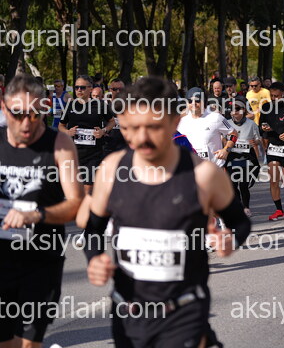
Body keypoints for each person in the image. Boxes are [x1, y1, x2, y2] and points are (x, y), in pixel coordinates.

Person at [83, 76, 251, 348]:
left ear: (174, 123)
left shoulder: (203, 174)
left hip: (183, 312)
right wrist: (94, 259)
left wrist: (230, 239)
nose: (142, 138)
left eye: (154, 127)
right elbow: (93, 228)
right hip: (128, 312)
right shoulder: (112, 169)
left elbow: (240, 223)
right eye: (134, 128)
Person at [0, 74, 83, 348]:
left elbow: (76, 202)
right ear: (4, 108)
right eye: (18, 113)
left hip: (41, 259)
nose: (26, 123)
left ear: (45, 108)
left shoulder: (59, 144)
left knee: (27, 344)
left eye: (35, 114)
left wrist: (37, 215)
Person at [59, 75, 116, 195]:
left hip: (93, 153)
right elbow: (61, 126)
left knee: (88, 189)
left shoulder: (100, 105)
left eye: (82, 87)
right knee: (73, 191)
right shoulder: (70, 105)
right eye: (77, 87)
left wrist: (103, 131)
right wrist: (68, 132)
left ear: (90, 88)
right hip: (73, 153)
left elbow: (112, 122)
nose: (79, 90)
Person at [260, 82, 284, 221]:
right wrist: (264, 130)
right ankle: (279, 210)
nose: (273, 98)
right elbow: (261, 126)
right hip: (273, 147)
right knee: (273, 180)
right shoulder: (266, 107)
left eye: (276, 96)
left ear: (283, 94)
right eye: (271, 96)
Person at [177, 87, 238, 167]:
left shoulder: (216, 117)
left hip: (215, 169)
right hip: (192, 169)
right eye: (190, 101)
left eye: (197, 100)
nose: (193, 103)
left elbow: (234, 133)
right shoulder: (182, 122)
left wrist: (226, 150)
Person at [226, 97, 261, 217]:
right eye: (232, 109)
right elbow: (222, 138)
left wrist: (255, 142)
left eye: (238, 109)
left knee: (243, 185)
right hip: (231, 158)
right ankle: (238, 206)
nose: (235, 111)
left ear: (244, 110)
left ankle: (246, 207)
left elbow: (258, 139)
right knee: (232, 185)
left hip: (246, 158)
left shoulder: (251, 124)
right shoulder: (227, 123)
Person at [103, 79, 128, 157]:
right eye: (114, 89)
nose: (118, 91)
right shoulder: (104, 105)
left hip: (125, 145)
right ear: (110, 90)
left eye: (121, 89)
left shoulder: (130, 106)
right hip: (107, 145)